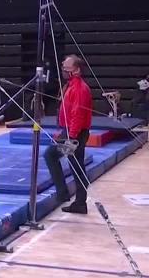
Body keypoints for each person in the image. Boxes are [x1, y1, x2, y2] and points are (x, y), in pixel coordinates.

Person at [44, 55, 92, 214]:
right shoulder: (71, 85)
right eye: (63, 67)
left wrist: (70, 138)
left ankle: (64, 195)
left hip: (75, 134)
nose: (64, 70)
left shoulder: (79, 88)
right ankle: (79, 202)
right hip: (71, 131)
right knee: (76, 166)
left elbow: (77, 115)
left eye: (67, 68)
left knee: (51, 155)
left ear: (77, 70)